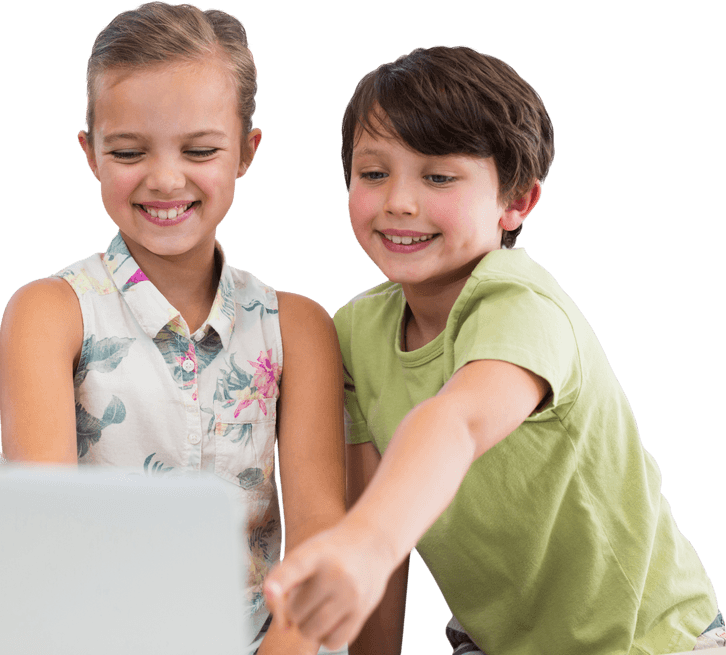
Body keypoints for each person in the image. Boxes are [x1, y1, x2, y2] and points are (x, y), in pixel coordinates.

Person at [263, 45, 722, 655]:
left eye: (438, 176)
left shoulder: (521, 303)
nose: (399, 201)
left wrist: (364, 546)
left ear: (517, 203)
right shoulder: (355, 332)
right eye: (374, 173)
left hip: (649, 643)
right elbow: (379, 532)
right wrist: (367, 553)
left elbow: (457, 421)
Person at [0, 3, 346, 653]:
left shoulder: (298, 327)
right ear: (91, 153)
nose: (164, 178)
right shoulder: (49, 312)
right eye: (129, 150)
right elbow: (37, 534)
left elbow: (320, 544)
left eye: (200, 150)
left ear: (247, 151)